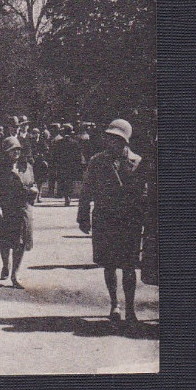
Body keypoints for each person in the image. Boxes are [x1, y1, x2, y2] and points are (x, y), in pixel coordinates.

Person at [77, 119, 148, 327]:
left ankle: (131, 309)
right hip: (104, 218)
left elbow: (144, 192)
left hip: (128, 221)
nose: (112, 143)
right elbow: (86, 190)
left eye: (117, 139)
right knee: (108, 264)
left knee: (129, 266)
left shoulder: (137, 162)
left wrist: (142, 213)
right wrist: (83, 215)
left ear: (125, 141)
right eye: (109, 138)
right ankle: (114, 304)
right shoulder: (97, 161)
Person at [0, 136, 39, 289]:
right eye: (12, 150)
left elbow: (33, 183)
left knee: (21, 242)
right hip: (6, 208)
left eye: (18, 149)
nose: (16, 152)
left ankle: (15, 274)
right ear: (5, 152)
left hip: (23, 208)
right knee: (5, 242)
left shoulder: (26, 166)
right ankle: (6, 264)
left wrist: (35, 190)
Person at [51, 124, 84, 205]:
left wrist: (55, 165)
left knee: (63, 181)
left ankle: (66, 196)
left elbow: (55, 155)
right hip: (71, 166)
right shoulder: (75, 143)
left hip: (61, 166)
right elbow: (78, 156)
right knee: (70, 181)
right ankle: (68, 196)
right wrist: (78, 165)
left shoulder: (58, 143)